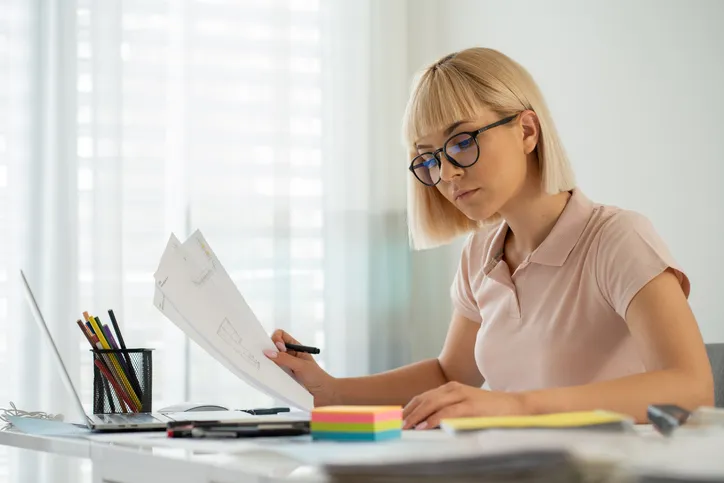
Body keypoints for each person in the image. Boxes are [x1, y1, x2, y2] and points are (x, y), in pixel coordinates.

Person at [263, 47, 714, 429]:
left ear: (527, 131)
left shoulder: (616, 238)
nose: (448, 174)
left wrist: (517, 407)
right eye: (429, 159)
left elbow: (691, 387)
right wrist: (332, 390)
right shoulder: (481, 253)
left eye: (461, 142)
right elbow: (450, 374)